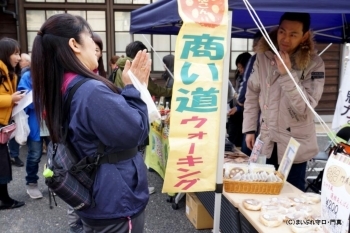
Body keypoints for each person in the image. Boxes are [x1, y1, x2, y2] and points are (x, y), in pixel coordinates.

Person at [31, 13, 150, 232]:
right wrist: (135, 88)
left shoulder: (63, 84)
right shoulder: (90, 90)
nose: (96, 47)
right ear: (74, 44)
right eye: (89, 36)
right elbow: (135, 132)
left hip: (92, 190)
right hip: (114, 199)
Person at [243, 12, 325, 191]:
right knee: (262, 190)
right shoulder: (264, 57)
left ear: (304, 36)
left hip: (294, 146)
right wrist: (249, 129)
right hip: (267, 139)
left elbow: (305, 107)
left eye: (293, 34)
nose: (285, 38)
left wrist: (287, 74)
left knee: (291, 197)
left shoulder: (315, 64)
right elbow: (251, 92)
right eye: (282, 32)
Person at [0, 37, 25, 210]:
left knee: (3, 164)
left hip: (3, 124)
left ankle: (5, 198)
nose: (19, 57)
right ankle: (5, 200)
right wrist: (11, 98)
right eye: (16, 53)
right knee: (2, 165)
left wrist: (16, 100)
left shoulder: (10, 73)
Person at [17, 70, 44, 199]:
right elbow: (24, 100)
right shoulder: (28, 76)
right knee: (35, 155)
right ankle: (32, 182)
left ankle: (56, 182)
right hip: (35, 122)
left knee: (55, 155)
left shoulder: (56, 73)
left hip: (52, 122)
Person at [235, 32, 263, 156]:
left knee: (249, 155)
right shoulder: (277, 59)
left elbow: (245, 92)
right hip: (264, 121)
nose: (253, 48)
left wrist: (239, 102)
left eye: (254, 45)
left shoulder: (256, 59)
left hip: (258, 120)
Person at [8, 53, 31, 167]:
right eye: (16, 55)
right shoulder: (12, 71)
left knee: (14, 129)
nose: (19, 60)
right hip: (13, 105)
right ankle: (14, 155)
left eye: (22, 59)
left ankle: (14, 155)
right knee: (13, 130)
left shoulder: (16, 72)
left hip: (17, 105)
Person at [227, 52, 251, 148]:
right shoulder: (239, 77)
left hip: (244, 117)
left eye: (241, 67)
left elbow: (248, 101)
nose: (239, 69)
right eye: (238, 67)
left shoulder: (252, 79)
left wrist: (238, 108)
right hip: (235, 115)